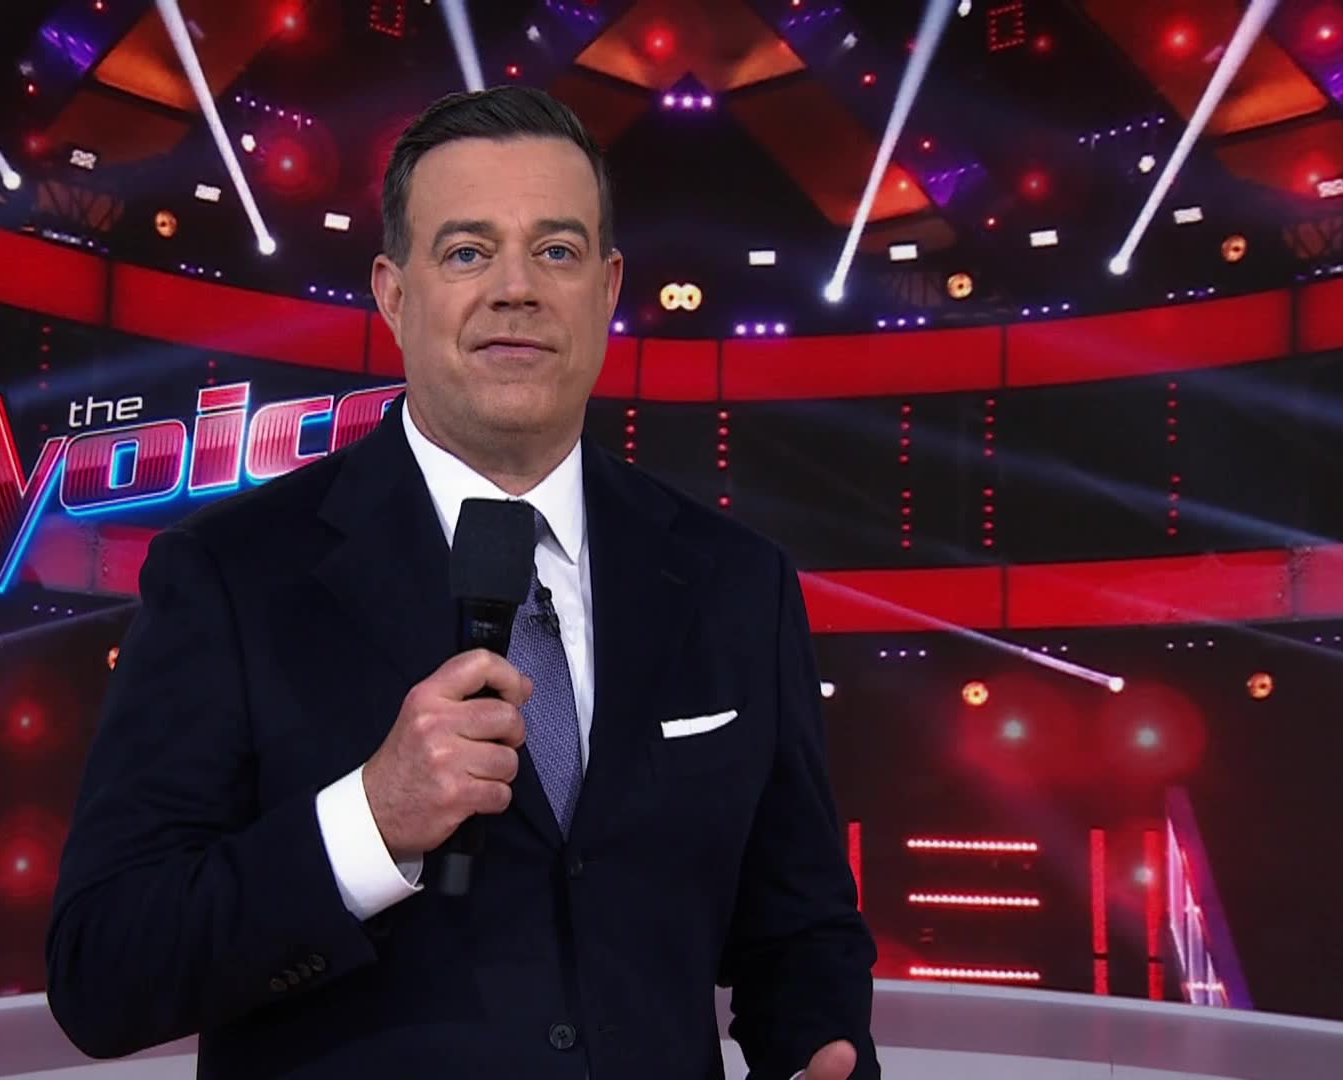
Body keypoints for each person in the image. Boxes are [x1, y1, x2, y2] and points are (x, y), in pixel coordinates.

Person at [45, 85, 879, 1079]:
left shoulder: (737, 580)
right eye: (468, 252)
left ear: (608, 289)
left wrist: (820, 1049)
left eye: (557, 251)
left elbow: (799, 930)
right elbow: (103, 969)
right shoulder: (232, 575)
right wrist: (368, 822)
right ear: (395, 295)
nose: (516, 288)